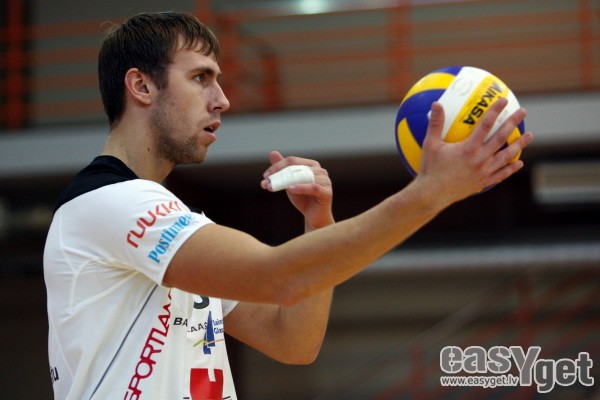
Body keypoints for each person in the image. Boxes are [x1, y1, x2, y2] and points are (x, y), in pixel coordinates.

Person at [43, 11, 533, 400]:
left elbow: (293, 342)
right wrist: (431, 193)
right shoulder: (108, 204)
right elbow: (276, 276)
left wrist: (318, 222)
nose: (222, 100)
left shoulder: (165, 221)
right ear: (141, 86)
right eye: (201, 77)